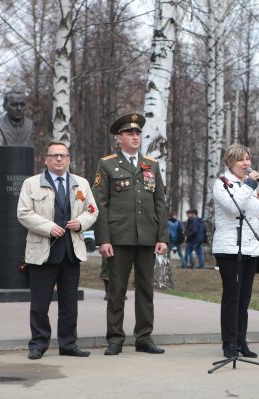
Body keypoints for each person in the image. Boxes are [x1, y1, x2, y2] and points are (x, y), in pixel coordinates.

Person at [92, 112, 168, 356]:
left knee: (146, 290)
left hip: (147, 236)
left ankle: (144, 337)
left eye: (137, 133)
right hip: (119, 237)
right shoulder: (107, 164)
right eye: (129, 133)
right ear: (119, 138)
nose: (135, 137)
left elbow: (160, 203)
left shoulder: (151, 165)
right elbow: (99, 204)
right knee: (116, 290)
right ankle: (115, 338)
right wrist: (103, 239)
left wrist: (162, 237)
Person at [17, 141, 98, 360]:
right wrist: (48, 227)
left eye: (63, 155)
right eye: (54, 156)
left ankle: (69, 344)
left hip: (71, 252)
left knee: (70, 303)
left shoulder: (81, 184)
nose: (59, 159)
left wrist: (81, 222)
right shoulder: (31, 184)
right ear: (46, 159)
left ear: (69, 159)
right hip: (43, 252)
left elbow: (92, 209)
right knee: (40, 303)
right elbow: (23, 213)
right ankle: (38, 344)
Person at [212, 144, 259, 358]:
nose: (247, 163)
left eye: (248, 159)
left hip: (251, 246)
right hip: (230, 247)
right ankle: (228, 342)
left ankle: (241, 341)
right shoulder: (222, 184)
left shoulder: (252, 185)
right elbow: (234, 209)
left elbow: (250, 211)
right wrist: (251, 183)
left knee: (245, 296)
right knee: (232, 296)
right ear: (231, 162)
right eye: (241, 159)